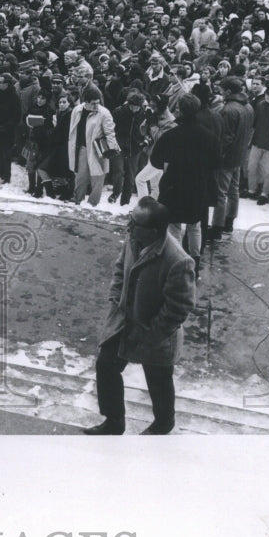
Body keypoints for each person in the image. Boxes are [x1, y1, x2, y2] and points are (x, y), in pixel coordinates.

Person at [83, 197, 196, 435]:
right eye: (130, 221)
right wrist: (116, 300)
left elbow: (179, 308)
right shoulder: (134, 239)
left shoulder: (178, 261)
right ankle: (114, 422)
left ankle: (163, 425)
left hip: (156, 334)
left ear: (153, 231)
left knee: (158, 381)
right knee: (106, 365)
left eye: (135, 224)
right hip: (124, 322)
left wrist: (150, 335)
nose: (129, 227)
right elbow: (120, 269)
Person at [148, 93, 218, 270]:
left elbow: (155, 159)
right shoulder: (208, 136)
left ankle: (176, 261)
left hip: (174, 187)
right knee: (195, 226)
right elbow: (217, 163)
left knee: (174, 226)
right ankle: (194, 260)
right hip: (198, 187)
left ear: (179, 109)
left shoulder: (172, 135)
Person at [208, 77, 254, 240]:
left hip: (227, 158)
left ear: (228, 91)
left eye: (221, 89)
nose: (219, 92)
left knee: (220, 193)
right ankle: (229, 222)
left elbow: (225, 138)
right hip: (239, 156)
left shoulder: (228, 109)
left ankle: (217, 227)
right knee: (233, 191)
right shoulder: (248, 106)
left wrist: (217, 155)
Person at [68, 83, 119, 206]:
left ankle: (93, 202)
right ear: (85, 102)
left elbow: (110, 132)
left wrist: (111, 149)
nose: (96, 105)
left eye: (98, 102)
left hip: (98, 149)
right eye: (93, 103)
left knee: (98, 176)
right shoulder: (77, 110)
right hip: (80, 147)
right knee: (80, 175)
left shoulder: (104, 113)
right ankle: (77, 198)